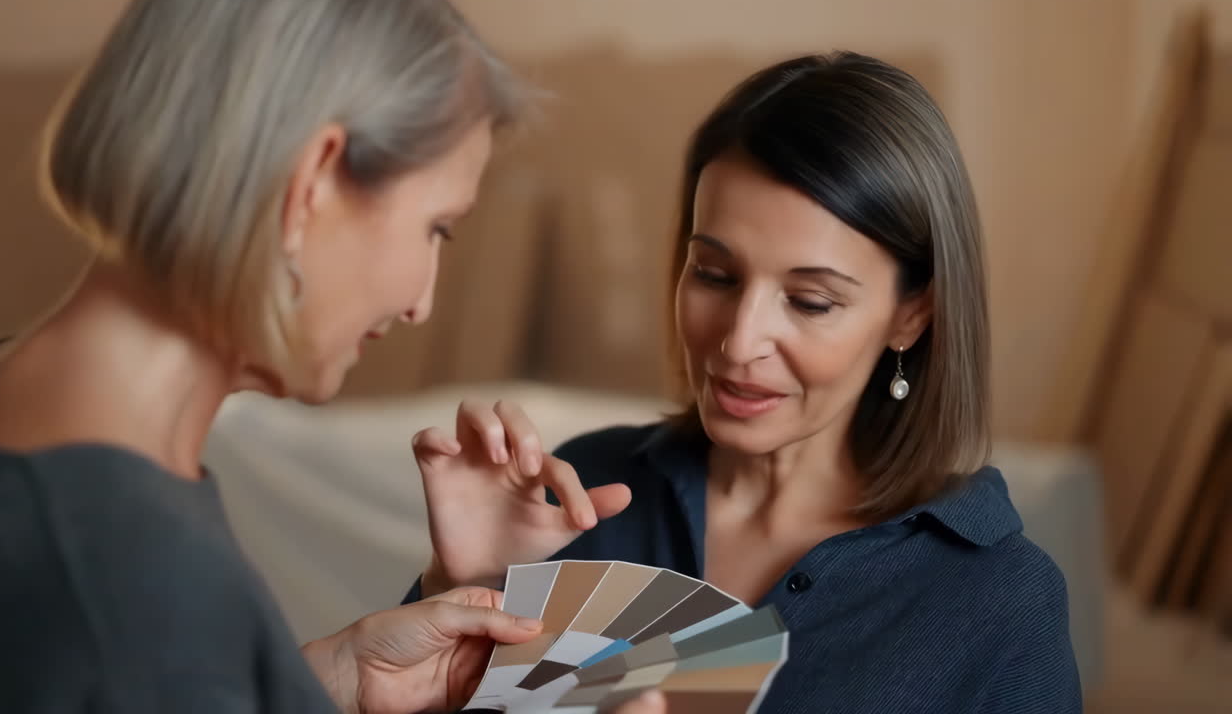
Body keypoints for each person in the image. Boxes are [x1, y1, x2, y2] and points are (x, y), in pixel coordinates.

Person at [0, 0, 666, 712]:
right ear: (312, 185)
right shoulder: (139, 581)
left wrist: (332, 683)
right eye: (436, 228)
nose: (420, 303)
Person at [408, 52, 1083, 712]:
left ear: (912, 315)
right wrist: (460, 585)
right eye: (714, 276)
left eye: (810, 301)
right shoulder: (582, 495)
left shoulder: (1002, 603)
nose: (738, 341)